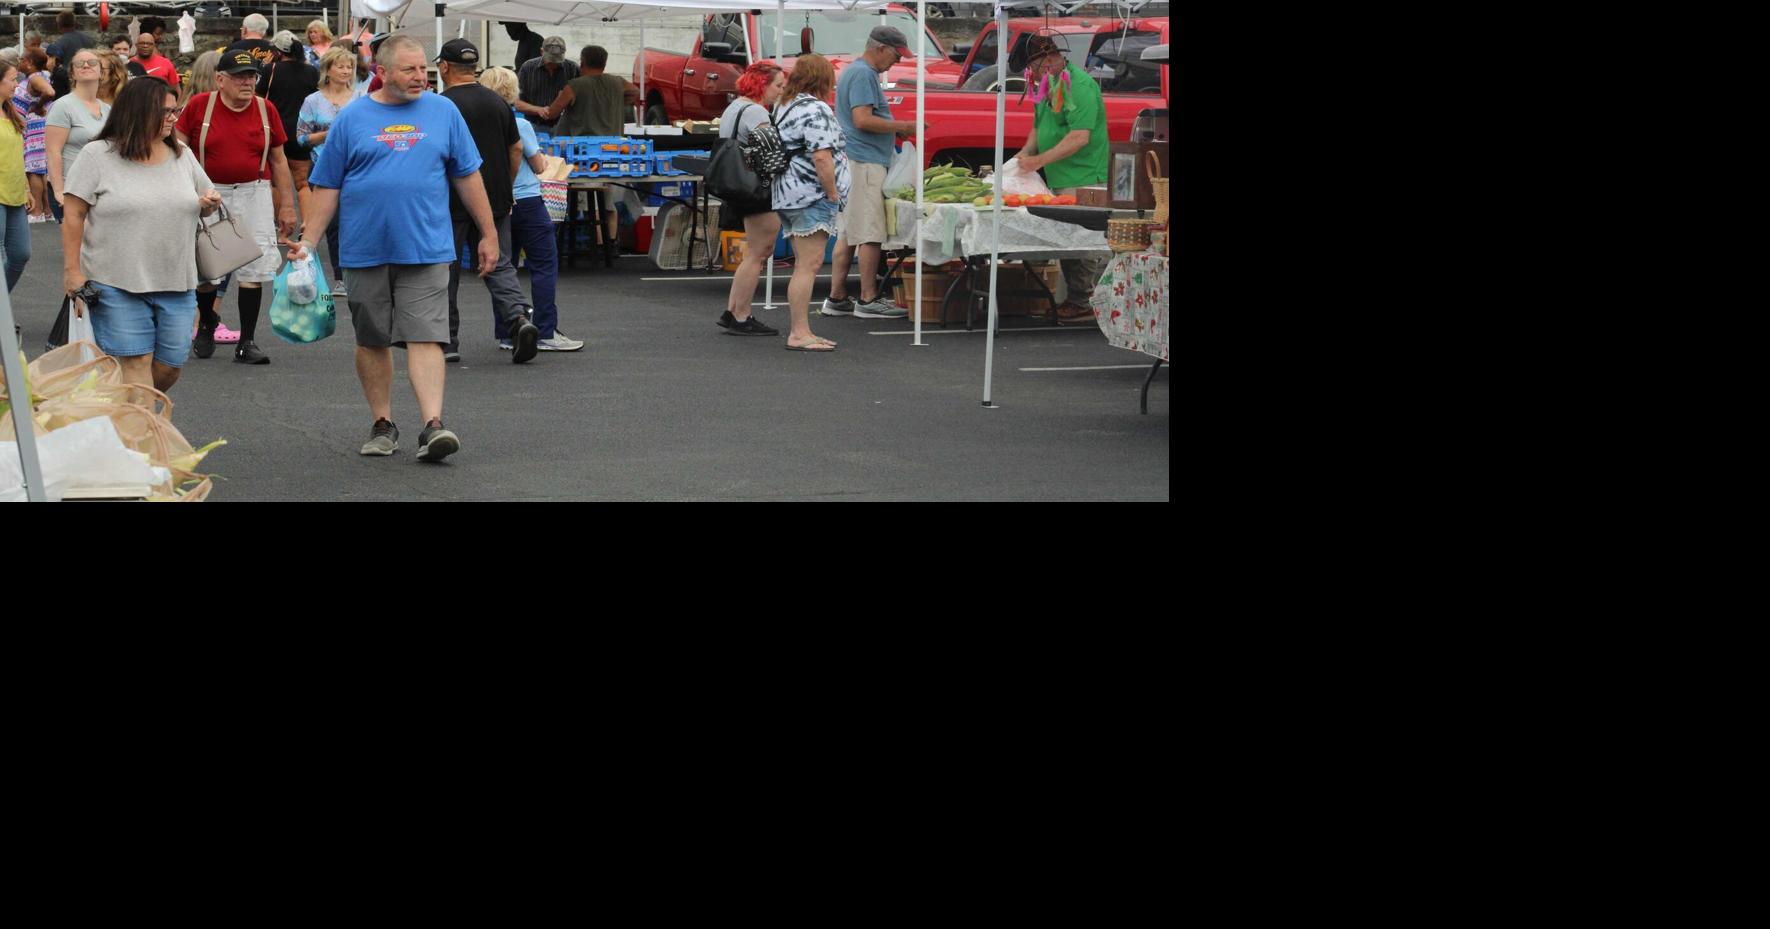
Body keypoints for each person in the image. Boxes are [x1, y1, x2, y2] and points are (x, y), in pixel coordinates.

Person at [291, 35, 505, 463]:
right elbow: (327, 185)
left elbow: (468, 175)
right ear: (382, 72)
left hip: (426, 246)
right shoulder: (352, 118)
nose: (419, 76)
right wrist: (308, 242)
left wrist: (489, 232)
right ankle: (383, 423)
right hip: (364, 248)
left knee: (426, 336)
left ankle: (433, 426)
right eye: (408, 69)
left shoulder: (444, 112)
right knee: (372, 339)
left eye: (423, 67)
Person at [62, 78, 223, 391]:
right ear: (137, 112)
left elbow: (206, 198)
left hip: (177, 280)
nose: (174, 118)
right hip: (114, 280)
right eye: (165, 112)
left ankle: (128, 420)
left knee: (168, 367)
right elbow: (73, 215)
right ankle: (144, 437)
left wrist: (208, 204)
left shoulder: (182, 154)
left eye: (175, 110)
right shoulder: (97, 155)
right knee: (136, 365)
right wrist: (72, 272)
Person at [174, 50, 298, 365]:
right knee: (206, 269)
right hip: (208, 193)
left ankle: (247, 341)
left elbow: (279, 160)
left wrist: (286, 206)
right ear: (220, 79)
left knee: (252, 269)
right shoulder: (200, 106)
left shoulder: (265, 108)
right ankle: (206, 323)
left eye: (252, 76)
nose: (247, 82)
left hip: (254, 192)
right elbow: (176, 151)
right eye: (240, 76)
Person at [433, 38, 540, 364]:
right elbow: (516, 149)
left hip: (449, 198)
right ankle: (518, 319)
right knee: (499, 262)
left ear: (445, 67)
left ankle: (447, 341)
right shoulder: (497, 103)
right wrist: (503, 186)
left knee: (444, 269)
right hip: (494, 195)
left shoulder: (439, 105)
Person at [479, 66, 580, 353]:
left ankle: (508, 330)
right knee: (544, 264)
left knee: (502, 268)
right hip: (526, 200)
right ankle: (546, 330)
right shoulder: (520, 125)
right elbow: (538, 165)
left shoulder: (477, 126)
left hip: (493, 203)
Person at [1011, 34, 1108, 323]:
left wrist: (1038, 161)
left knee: (1083, 242)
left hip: (1085, 174)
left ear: (1048, 61)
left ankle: (1084, 300)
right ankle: (1078, 299)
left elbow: (1079, 137)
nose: (1032, 76)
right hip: (1061, 175)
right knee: (1069, 241)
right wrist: (1024, 154)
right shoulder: (1046, 85)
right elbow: (1039, 128)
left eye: (1033, 70)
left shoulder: (1079, 86)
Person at [823, 25, 915, 320]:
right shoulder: (864, 74)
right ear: (881, 49)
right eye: (896, 56)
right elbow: (863, 119)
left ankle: (837, 297)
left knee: (848, 232)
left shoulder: (857, 72)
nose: (897, 62)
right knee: (871, 234)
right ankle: (868, 297)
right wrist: (901, 127)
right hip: (863, 162)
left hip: (854, 159)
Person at [770, 54, 845, 352]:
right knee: (808, 265)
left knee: (804, 264)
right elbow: (821, 155)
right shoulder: (815, 109)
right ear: (821, 79)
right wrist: (832, 193)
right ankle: (799, 332)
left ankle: (801, 330)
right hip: (810, 194)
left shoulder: (785, 105)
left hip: (787, 192)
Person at [716, 61, 786, 337]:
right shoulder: (757, 111)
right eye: (778, 85)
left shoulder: (734, 107)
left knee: (754, 252)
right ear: (762, 84)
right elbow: (772, 155)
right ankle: (741, 315)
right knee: (759, 252)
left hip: (735, 183)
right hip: (756, 188)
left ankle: (733, 309)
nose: (780, 91)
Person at [544, 46, 637, 251]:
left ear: (582, 61)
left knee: (590, 200)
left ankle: (597, 244)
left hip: (583, 155)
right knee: (607, 196)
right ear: (604, 62)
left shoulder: (574, 86)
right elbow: (635, 91)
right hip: (613, 152)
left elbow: (552, 112)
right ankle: (611, 242)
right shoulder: (617, 82)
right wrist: (618, 101)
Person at [297, 46, 356, 293]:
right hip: (323, 169)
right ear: (328, 70)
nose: (346, 71)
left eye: (349, 66)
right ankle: (341, 278)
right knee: (333, 226)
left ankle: (356, 274)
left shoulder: (359, 99)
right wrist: (327, 136)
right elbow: (300, 138)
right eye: (341, 66)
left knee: (353, 223)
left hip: (355, 169)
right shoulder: (313, 100)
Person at [46, 48, 109, 223]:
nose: (86, 65)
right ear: (72, 73)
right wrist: (59, 191)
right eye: (79, 63)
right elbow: (53, 151)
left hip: (102, 189)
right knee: (77, 247)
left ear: (101, 73)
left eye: (93, 62)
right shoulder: (63, 106)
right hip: (73, 189)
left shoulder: (108, 109)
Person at [265, 32, 318, 227]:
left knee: (276, 182)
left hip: (275, 132)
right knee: (303, 183)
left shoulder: (270, 70)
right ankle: (308, 227)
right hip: (301, 132)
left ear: (278, 51)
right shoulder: (311, 71)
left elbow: (260, 98)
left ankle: (282, 228)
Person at [11, 48, 54, 222]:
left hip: (36, 123)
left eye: (22, 59)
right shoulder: (40, 75)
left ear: (29, 63)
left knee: (33, 169)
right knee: (40, 169)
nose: (19, 62)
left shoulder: (35, 77)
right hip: (38, 124)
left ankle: (36, 212)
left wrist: (37, 105)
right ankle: (46, 210)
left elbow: (50, 92)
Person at [0, 63, 29, 292]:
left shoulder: (12, 113)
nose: (17, 84)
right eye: (12, 79)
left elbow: (18, 156)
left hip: (16, 196)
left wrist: (27, 189)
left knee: (20, 254)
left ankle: (3, 308)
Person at [513, 35, 570, 132]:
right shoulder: (528, 68)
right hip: (534, 126)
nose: (553, 65)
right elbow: (517, 103)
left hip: (564, 127)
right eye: (550, 61)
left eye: (557, 61)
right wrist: (538, 110)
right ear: (541, 51)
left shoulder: (572, 68)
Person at [45, 11, 94, 97]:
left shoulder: (59, 42)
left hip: (67, 84)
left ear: (59, 25)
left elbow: (50, 64)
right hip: (88, 80)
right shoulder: (89, 40)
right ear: (74, 23)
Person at [225, 13, 276, 92]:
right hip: (268, 93)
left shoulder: (232, 48)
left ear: (244, 29)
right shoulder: (274, 49)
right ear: (264, 32)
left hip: (239, 91)